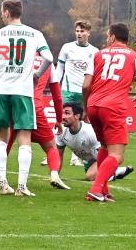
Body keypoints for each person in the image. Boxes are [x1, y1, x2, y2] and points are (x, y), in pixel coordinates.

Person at [0, 0, 54, 197]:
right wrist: (37, 75)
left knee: (1, 138)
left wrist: (1, 74)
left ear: (7, 12)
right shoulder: (35, 34)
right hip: (23, 91)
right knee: (24, 138)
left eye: (1, 11)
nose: (1, 14)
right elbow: (49, 58)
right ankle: (22, 187)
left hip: (1, 90)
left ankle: (3, 183)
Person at [83, 23, 136, 202]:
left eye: (107, 36)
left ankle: (103, 189)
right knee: (117, 155)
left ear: (112, 37)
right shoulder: (134, 56)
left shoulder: (97, 54)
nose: (107, 38)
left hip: (94, 105)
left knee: (105, 147)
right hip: (113, 107)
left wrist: (85, 108)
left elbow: (86, 85)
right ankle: (96, 189)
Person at [0, 52, 71, 190]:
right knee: (51, 146)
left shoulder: (17, 60)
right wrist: (58, 119)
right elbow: (57, 96)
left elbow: (1, 82)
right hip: (33, 106)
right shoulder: (48, 64)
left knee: (6, 139)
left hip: (12, 103)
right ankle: (54, 175)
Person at [52, 20, 99, 167]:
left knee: (82, 124)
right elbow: (59, 68)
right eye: (77, 31)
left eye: (82, 31)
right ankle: (53, 153)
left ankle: (76, 157)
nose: (79, 34)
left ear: (88, 33)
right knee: (62, 121)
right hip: (67, 90)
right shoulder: (67, 48)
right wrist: (55, 85)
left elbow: (95, 75)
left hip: (84, 93)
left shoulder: (95, 52)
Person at [57, 102, 134, 182]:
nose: (63, 116)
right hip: (88, 160)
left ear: (77, 116)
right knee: (93, 174)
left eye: (67, 113)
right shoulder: (60, 130)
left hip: (102, 157)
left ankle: (113, 171)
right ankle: (115, 171)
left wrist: (108, 164)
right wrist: (55, 175)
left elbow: (104, 151)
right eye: (62, 113)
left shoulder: (89, 132)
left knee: (90, 176)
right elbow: (58, 156)